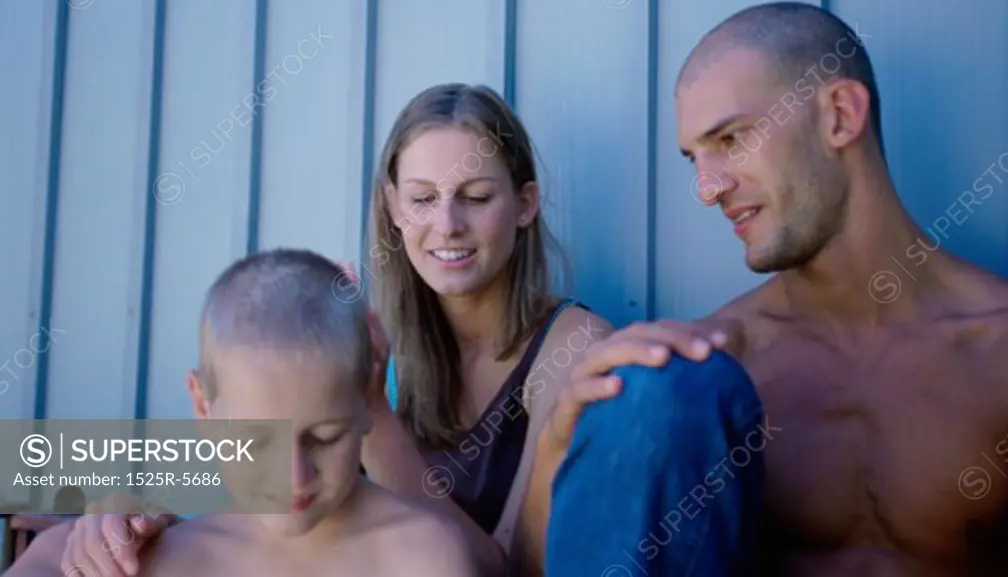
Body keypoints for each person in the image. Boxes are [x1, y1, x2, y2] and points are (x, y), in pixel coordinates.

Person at [52, 83, 764, 576]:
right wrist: (123, 504)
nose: (446, 226)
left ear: (524, 204)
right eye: (421, 199)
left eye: (475, 197)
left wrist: (375, 412)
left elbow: (507, 565)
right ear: (392, 207)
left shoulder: (570, 345)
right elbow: (261, 473)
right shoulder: (356, 334)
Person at [540, 0, 1008, 576]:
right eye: (693, 158)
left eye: (731, 139)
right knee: (651, 390)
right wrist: (557, 437)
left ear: (840, 116)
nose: (707, 187)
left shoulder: (1007, 354)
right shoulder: (714, 366)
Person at [9, 249, 479, 577]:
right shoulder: (155, 557)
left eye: (326, 436)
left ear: (366, 398)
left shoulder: (424, 559)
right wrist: (77, 543)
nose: (293, 477)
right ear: (202, 406)